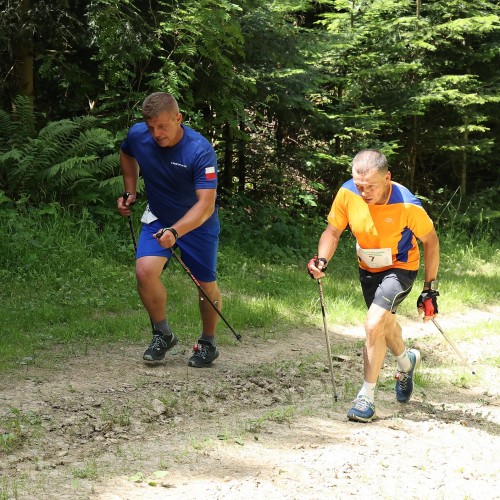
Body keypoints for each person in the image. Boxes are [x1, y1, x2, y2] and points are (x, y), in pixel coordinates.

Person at [308, 149, 440, 422]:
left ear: (388, 178)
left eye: (370, 186)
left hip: (400, 268)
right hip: (368, 268)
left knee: (372, 323)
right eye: (359, 185)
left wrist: (429, 288)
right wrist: (321, 259)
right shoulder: (347, 193)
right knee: (382, 324)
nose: (364, 192)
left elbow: (431, 241)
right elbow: (333, 231)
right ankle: (406, 362)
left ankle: (365, 398)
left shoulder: (407, 204)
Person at [117, 92, 221, 368]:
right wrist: (130, 190)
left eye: (162, 126)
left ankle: (208, 343)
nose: (156, 133)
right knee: (144, 271)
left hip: (196, 223)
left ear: (178, 118)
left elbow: (206, 206)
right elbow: (127, 154)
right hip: (159, 215)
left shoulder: (199, 150)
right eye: (151, 127)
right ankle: (162, 333)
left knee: (204, 284)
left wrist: (176, 231)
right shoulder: (139, 135)